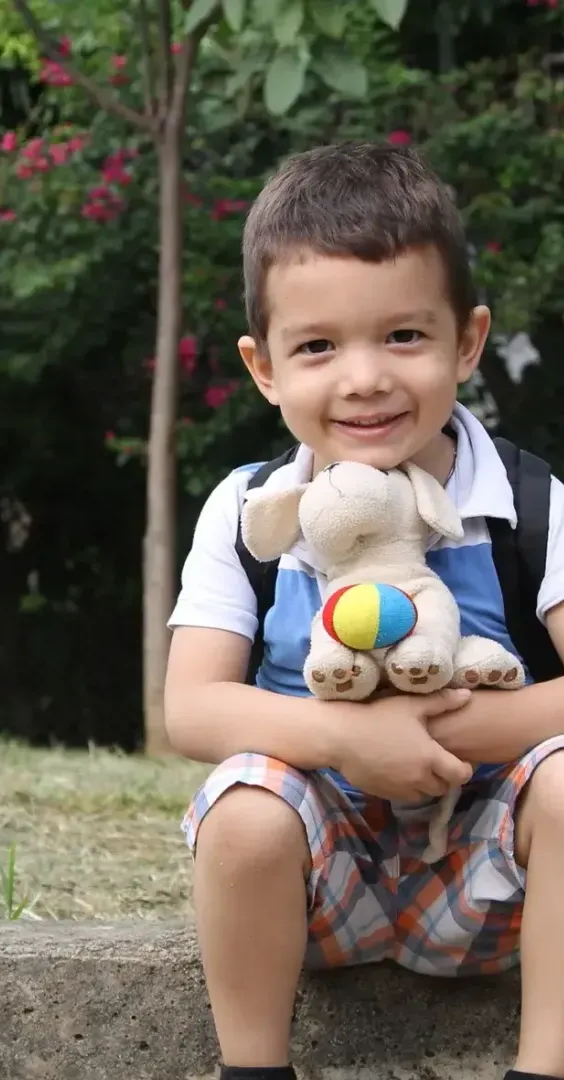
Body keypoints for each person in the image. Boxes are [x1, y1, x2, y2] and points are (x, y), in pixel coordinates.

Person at [164, 140, 564, 1080]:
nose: (364, 378)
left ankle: (543, 1066)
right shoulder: (250, 509)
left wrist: (457, 726)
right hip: (316, 885)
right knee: (247, 808)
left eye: (403, 337)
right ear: (265, 369)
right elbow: (191, 710)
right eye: (317, 346)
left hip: (494, 877)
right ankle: (252, 1070)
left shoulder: (531, 503)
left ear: (466, 342)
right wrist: (350, 741)